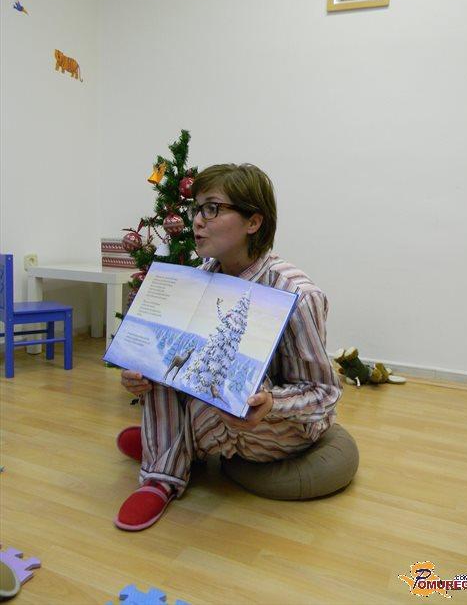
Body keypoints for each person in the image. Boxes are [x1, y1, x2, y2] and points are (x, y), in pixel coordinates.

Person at [115, 163, 342, 531]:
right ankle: (162, 473)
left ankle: (172, 450)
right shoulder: (201, 277)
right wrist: (138, 372)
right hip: (226, 416)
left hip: (282, 423)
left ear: (253, 222)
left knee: (230, 381)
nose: (196, 221)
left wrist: (270, 404)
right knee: (164, 358)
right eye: (196, 209)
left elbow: (324, 394)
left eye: (212, 209)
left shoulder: (297, 294)